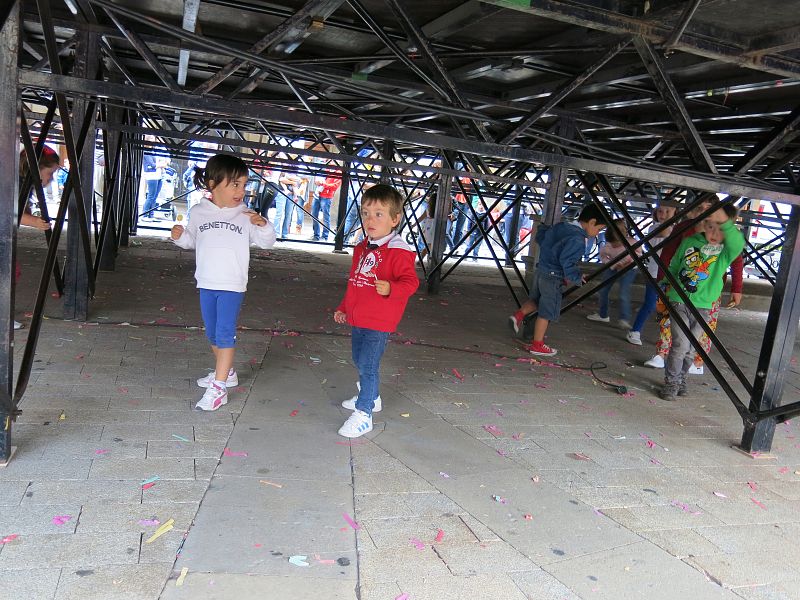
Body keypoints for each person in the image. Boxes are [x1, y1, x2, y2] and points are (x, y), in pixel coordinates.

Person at [170, 154, 276, 411]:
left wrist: (263, 225)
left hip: (232, 284)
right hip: (206, 281)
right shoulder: (198, 212)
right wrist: (180, 237)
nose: (241, 191)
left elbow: (267, 242)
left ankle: (218, 389)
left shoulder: (246, 215)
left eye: (244, 184)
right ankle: (226, 373)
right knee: (212, 333)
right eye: (235, 184)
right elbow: (192, 241)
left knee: (225, 334)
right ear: (213, 183)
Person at [333, 184, 419, 438]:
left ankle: (364, 413)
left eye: (379, 214)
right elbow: (354, 281)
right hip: (359, 316)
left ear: (395, 219)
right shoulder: (362, 247)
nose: (371, 219)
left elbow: (411, 282)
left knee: (368, 366)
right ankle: (372, 396)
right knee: (359, 360)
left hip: (379, 320)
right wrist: (344, 307)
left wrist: (391, 288)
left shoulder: (399, 250)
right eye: (366, 213)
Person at [659, 203, 744, 400]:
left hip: (704, 306)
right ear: (705, 224)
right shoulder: (690, 242)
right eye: (711, 226)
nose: (714, 233)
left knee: (692, 348)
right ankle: (671, 383)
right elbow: (675, 265)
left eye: (721, 229)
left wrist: (725, 223)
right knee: (680, 345)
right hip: (679, 301)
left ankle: (680, 378)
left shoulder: (725, 252)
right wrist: (664, 282)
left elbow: (737, 243)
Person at [508, 203, 609, 356]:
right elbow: (567, 261)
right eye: (599, 229)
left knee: (536, 299)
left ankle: (518, 316)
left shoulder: (562, 227)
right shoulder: (577, 239)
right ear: (592, 222)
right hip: (554, 277)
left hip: (541, 270)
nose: (597, 233)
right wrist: (576, 277)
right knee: (547, 311)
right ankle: (537, 344)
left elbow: (542, 236)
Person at [16, 147, 57, 329]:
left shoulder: (22, 184)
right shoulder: (14, 183)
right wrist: (34, 221)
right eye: (50, 173)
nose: (51, 178)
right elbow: (8, 211)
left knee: (10, 273)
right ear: (36, 168)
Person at [626, 204, 677, 345]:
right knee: (650, 304)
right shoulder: (655, 228)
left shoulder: (676, 228)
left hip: (670, 273)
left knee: (666, 308)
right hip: (655, 273)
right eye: (660, 211)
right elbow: (666, 233)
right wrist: (671, 215)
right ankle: (634, 331)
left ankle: (665, 339)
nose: (663, 214)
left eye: (667, 210)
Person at [586, 218, 641, 330]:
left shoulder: (631, 242)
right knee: (603, 289)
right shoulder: (608, 246)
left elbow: (639, 255)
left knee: (623, 293)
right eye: (615, 243)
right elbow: (602, 256)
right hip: (613, 267)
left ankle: (624, 319)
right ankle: (603, 315)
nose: (617, 245)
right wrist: (612, 264)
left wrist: (626, 265)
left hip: (629, 269)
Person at [311, 174, 341, 241]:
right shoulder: (327, 169)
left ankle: (325, 236)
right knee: (313, 215)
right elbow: (317, 178)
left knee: (326, 217)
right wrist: (317, 182)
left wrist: (323, 184)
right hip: (317, 194)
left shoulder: (338, 172)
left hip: (326, 197)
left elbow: (334, 186)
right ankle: (316, 235)